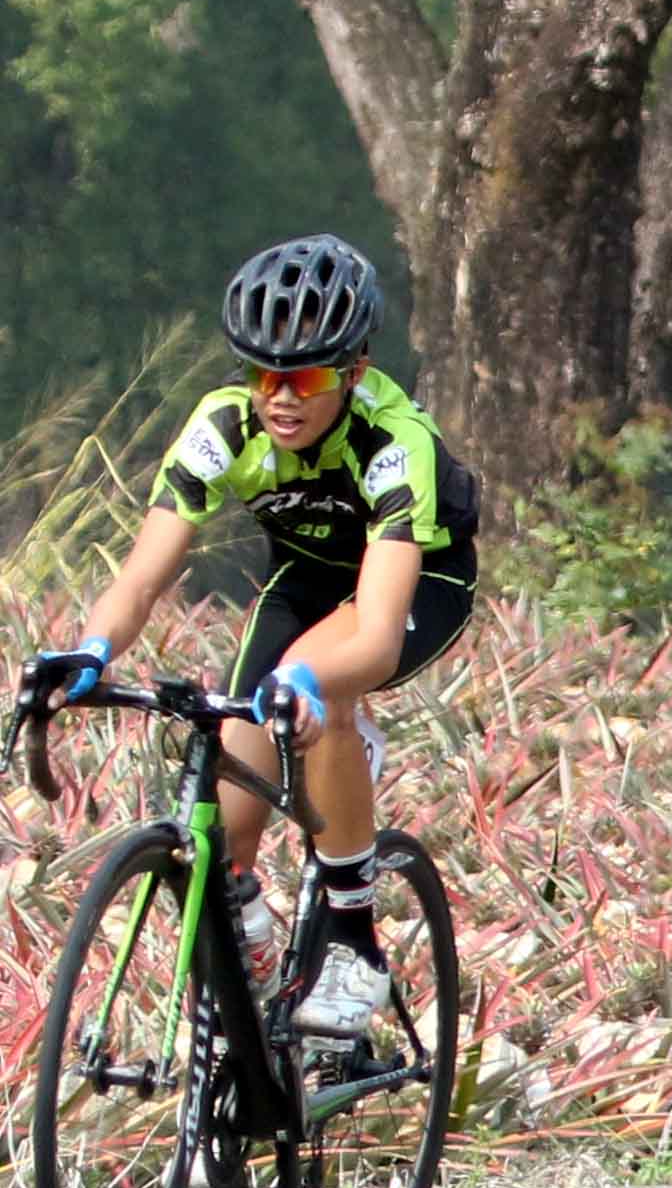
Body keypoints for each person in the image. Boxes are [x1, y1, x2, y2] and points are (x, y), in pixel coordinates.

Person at [31, 235, 480, 1049]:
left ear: (352, 368)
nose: (280, 396)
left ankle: (352, 941)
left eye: (304, 376)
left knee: (323, 689)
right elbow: (140, 579)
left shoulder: (393, 439)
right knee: (224, 830)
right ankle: (246, 1005)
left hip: (414, 584)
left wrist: (306, 681)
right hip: (305, 580)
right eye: (263, 372)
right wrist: (88, 652)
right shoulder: (222, 427)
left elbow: (376, 635)